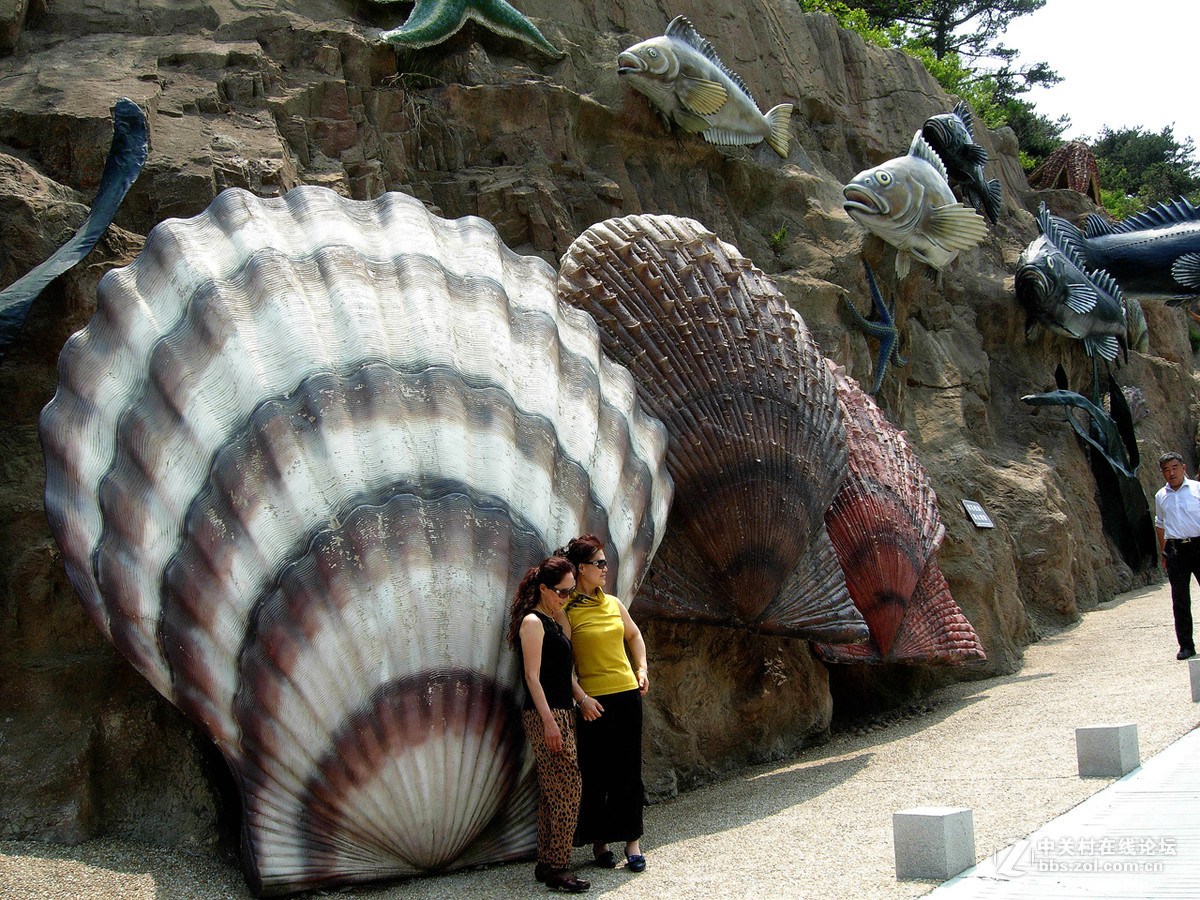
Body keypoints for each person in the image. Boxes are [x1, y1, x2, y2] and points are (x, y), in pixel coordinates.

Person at [557, 534, 649, 873]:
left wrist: (641, 667)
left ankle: (633, 842)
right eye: (599, 564)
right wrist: (580, 698)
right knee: (596, 773)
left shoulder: (613, 604)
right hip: (593, 702)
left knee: (629, 771)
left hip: (626, 694)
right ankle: (599, 841)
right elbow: (561, 664)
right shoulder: (567, 609)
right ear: (581, 569)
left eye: (605, 563)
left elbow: (634, 635)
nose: (606, 568)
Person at [508, 557, 591, 893]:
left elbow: (561, 673)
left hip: (562, 711)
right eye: (561, 592)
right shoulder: (532, 623)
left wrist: (581, 700)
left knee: (552, 789)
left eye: (571, 592)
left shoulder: (554, 621)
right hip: (546, 714)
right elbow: (532, 676)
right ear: (543, 588)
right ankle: (559, 866)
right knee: (569, 787)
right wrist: (549, 722)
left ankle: (547, 863)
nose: (566, 597)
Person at [1154, 452, 1200, 660]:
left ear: (1183, 467)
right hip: (1175, 550)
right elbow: (1160, 525)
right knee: (1180, 600)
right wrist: (1164, 551)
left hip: (1199, 545)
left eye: (1174, 468)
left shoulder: (1197, 490)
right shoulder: (1160, 496)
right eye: (1166, 470)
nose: (1171, 473)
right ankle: (1186, 646)